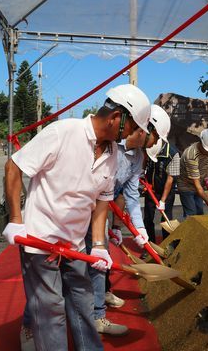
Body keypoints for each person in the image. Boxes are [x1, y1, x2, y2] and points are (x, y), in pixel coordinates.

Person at [3, 84, 151, 351]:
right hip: (40, 242)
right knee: (51, 313)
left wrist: (98, 245)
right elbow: (14, 166)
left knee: (83, 305)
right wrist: (15, 218)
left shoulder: (113, 154)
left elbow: (103, 201)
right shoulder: (63, 133)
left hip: (75, 245)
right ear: (117, 117)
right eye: (132, 127)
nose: (132, 134)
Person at [86, 104, 170, 337]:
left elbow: (130, 194)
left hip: (100, 213)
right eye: (156, 137)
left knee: (98, 262)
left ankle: (97, 311)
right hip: (82, 209)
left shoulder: (137, 158)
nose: (155, 144)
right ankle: (33, 323)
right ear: (145, 128)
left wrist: (140, 231)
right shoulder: (111, 143)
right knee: (68, 266)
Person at [144, 130, 179, 243]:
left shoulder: (173, 154)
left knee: (166, 218)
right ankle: (150, 243)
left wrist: (163, 201)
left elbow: (170, 179)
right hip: (151, 189)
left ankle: (167, 243)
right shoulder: (149, 147)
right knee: (148, 218)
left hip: (167, 192)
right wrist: (144, 178)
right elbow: (145, 163)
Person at [178, 128, 208, 216]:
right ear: (201, 142)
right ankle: (189, 230)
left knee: (200, 212)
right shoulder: (191, 155)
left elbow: (205, 166)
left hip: (199, 185)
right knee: (191, 214)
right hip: (186, 186)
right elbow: (197, 186)